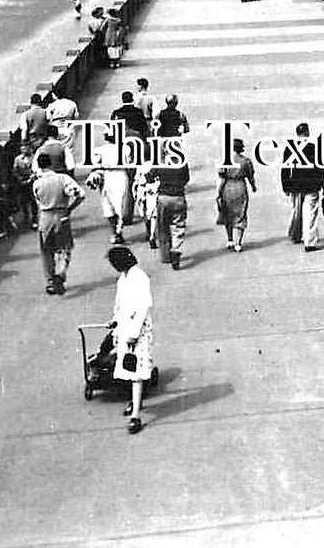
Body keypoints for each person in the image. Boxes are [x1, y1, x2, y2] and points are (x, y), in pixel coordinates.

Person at [106, 246, 153, 435]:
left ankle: (136, 415)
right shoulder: (123, 278)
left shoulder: (140, 278)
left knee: (136, 371)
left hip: (137, 331)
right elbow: (119, 305)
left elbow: (143, 308)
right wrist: (115, 320)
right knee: (126, 367)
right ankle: (134, 400)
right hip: (124, 328)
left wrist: (134, 332)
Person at [32, 154, 85, 295]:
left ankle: (50, 280)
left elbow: (38, 202)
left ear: (39, 165)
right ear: (51, 164)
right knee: (64, 248)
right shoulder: (63, 179)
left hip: (45, 217)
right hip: (62, 215)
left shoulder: (37, 183)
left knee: (46, 250)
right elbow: (81, 194)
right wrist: (70, 208)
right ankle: (60, 274)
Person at [281, 123, 324, 252]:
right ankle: (310, 242)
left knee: (296, 211)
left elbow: (285, 169)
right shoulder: (313, 148)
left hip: (295, 186)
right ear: (307, 133)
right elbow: (321, 168)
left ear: (297, 134)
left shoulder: (290, 148)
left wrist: (285, 185)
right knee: (310, 214)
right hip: (311, 185)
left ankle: (295, 235)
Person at [217, 138, 257, 252]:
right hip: (240, 187)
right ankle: (238, 243)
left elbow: (221, 177)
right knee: (241, 214)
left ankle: (230, 240)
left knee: (227, 212)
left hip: (227, 187)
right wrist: (253, 186)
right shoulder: (246, 161)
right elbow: (250, 176)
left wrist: (219, 192)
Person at [92, 131, 132, 245]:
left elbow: (96, 165)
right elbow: (129, 163)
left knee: (108, 205)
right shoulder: (125, 148)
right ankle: (118, 232)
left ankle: (115, 232)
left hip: (107, 175)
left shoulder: (100, 150)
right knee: (120, 204)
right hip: (120, 175)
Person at [149, 161, 189, 270]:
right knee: (178, 226)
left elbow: (150, 176)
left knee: (162, 226)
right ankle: (176, 250)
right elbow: (186, 179)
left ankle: (165, 255)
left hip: (163, 197)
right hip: (178, 197)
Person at [12, 141, 38, 229]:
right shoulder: (18, 159)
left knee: (33, 201)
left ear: (29, 148)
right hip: (22, 182)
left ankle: (34, 218)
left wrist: (32, 178)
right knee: (23, 201)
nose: (24, 150)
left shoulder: (34, 157)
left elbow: (37, 169)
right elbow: (15, 171)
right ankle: (26, 216)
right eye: (22, 148)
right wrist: (20, 179)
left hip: (33, 181)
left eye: (25, 148)